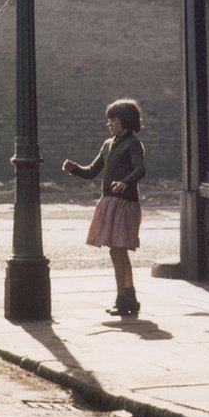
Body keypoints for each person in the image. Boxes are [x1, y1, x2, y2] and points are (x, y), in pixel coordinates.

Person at [62, 98, 145, 315]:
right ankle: (128, 298)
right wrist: (74, 169)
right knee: (116, 252)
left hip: (125, 202)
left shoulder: (133, 143)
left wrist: (125, 182)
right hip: (109, 201)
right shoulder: (107, 145)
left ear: (124, 121)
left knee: (119, 250)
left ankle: (124, 298)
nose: (109, 124)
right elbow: (91, 171)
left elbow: (140, 169)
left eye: (113, 120)